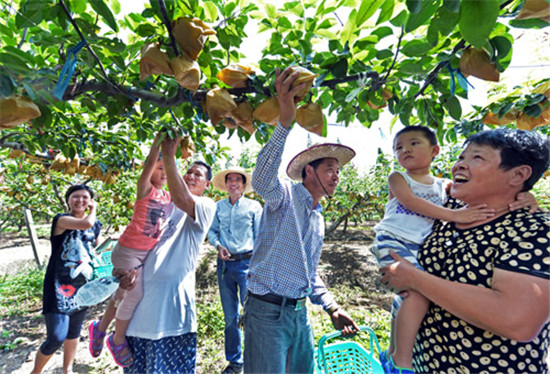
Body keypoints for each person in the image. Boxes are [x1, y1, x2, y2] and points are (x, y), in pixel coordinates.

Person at [381, 128, 550, 373]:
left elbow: (516, 320)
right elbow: (400, 219)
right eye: (461, 158)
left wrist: (415, 279)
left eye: (477, 158)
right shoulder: (445, 209)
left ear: (518, 174)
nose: (459, 165)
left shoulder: (532, 229)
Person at [242, 67, 359, 374]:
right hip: (267, 312)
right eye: (330, 168)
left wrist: (332, 306)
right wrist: (284, 121)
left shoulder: (317, 219)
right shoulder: (284, 196)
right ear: (310, 171)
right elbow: (262, 177)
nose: (336, 176)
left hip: (298, 312)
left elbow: (307, 271)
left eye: (338, 170)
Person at [370, 125, 495, 373]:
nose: (405, 150)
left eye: (414, 143)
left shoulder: (443, 185)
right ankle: (402, 363)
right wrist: (453, 215)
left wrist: (524, 196)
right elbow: (411, 202)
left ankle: (391, 352)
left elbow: (473, 194)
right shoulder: (398, 178)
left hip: (419, 246)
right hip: (393, 240)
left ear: (435, 150)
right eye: (398, 147)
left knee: (404, 298)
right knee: (417, 294)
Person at [117, 135, 216, 373]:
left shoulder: (205, 205)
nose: (191, 175)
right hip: (139, 315)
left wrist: (169, 155)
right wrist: (121, 271)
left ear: (207, 185)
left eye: (198, 174)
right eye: (188, 172)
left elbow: (183, 198)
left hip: (172, 318)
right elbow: (136, 241)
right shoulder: (161, 204)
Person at [88, 133, 171, 367]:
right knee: (134, 294)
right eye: (159, 168)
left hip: (142, 254)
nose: (164, 173)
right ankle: (118, 339)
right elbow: (147, 167)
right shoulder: (146, 190)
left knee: (122, 294)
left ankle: (100, 328)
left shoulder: (167, 195)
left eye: (167, 169)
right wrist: (157, 143)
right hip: (128, 251)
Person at [31, 184, 102, 374]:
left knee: (73, 332)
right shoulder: (61, 220)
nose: (80, 200)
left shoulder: (96, 224)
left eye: (85, 197)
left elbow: (96, 250)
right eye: (75, 197)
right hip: (58, 285)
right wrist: (94, 208)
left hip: (81, 285)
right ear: (68, 200)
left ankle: (67, 370)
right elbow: (86, 224)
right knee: (56, 336)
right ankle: (35, 372)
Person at [207, 167, 262, 374]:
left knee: (250, 315)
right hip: (225, 266)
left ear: (243, 184)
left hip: (247, 265)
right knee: (230, 317)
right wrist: (218, 245)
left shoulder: (254, 207)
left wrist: (258, 267)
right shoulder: (218, 207)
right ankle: (235, 362)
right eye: (229, 180)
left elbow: (261, 238)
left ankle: (254, 360)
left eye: (237, 180)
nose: (233, 183)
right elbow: (211, 231)